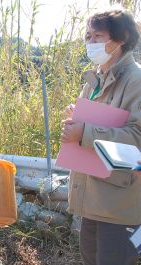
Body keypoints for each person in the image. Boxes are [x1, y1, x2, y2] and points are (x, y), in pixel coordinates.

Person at [61, 8, 141, 265]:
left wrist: (84, 131)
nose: (90, 42)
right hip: (93, 199)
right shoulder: (94, 80)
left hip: (120, 206)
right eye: (87, 36)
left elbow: (137, 137)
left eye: (98, 36)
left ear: (121, 38)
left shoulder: (136, 80)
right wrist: (79, 119)